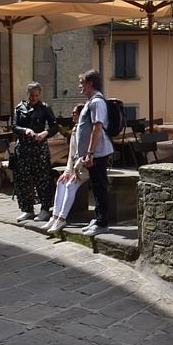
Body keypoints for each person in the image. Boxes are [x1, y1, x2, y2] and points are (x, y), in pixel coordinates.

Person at [12, 81, 59, 222]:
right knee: (23, 179)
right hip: (24, 148)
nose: (33, 98)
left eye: (36, 95)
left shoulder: (44, 108)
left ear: (40, 95)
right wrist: (25, 130)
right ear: (27, 94)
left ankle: (45, 209)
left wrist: (45, 133)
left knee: (43, 179)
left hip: (39, 148)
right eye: (31, 95)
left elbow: (55, 126)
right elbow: (14, 127)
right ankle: (27, 209)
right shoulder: (19, 108)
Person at [77, 69, 113, 237]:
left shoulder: (97, 102)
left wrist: (90, 152)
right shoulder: (92, 101)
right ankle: (98, 218)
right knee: (96, 187)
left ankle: (102, 222)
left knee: (100, 187)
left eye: (82, 83)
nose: (80, 86)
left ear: (90, 83)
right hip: (93, 153)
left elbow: (97, 127)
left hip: (97, 152)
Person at [45, 105, 86, 234]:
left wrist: (75, 171)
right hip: (74, 167)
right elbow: (71, 154)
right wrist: (68, 171)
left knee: (70, 185)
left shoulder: (85, 129)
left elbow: (84, 153)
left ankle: (62, 218)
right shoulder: (74, 129)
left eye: (75, 113)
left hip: (85, 168)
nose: (72, 115)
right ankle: (55, 216)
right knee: (61, 181)